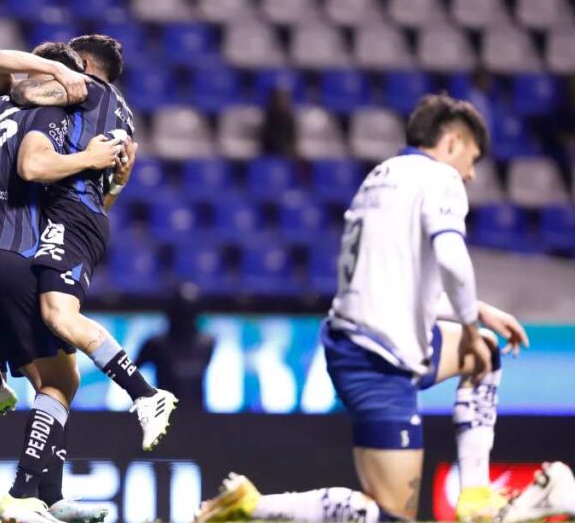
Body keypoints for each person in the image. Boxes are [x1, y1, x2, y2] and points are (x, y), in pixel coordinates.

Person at [196, 94, 531, 523]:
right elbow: (452, 258)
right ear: (451, 142)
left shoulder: (381, 177)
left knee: (484, 353)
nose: (471, 173)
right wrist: (466, 324)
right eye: (472, 156)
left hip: (368, 338)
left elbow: (395, 279)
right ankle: (254, 507)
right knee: (392, 517)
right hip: (380, 357)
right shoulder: (439, 179)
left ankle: (476, 496)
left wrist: (476, 313)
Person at [0, 43, 125, 523]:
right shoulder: (48, 117)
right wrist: (97, 166)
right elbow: (44, 179)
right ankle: (29, 494)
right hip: (13, 256)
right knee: (58, 378)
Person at [7, 35, 178, 452]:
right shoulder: (123, 113)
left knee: (59, 314)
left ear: (82, 63)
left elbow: (20, 92)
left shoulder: (85, 88)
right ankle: (42, 486)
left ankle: (144, 393)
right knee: (55, 364)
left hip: (70, 215)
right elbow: (106, 190)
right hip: (87, 215)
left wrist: (48, 75)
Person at [134, 284, 215, 409]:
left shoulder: (208, 344)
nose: (184, 321)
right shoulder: (155, 345)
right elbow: (130, 377)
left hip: (199, 417)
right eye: (181, 314)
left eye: (188, 314)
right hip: (164, 418)